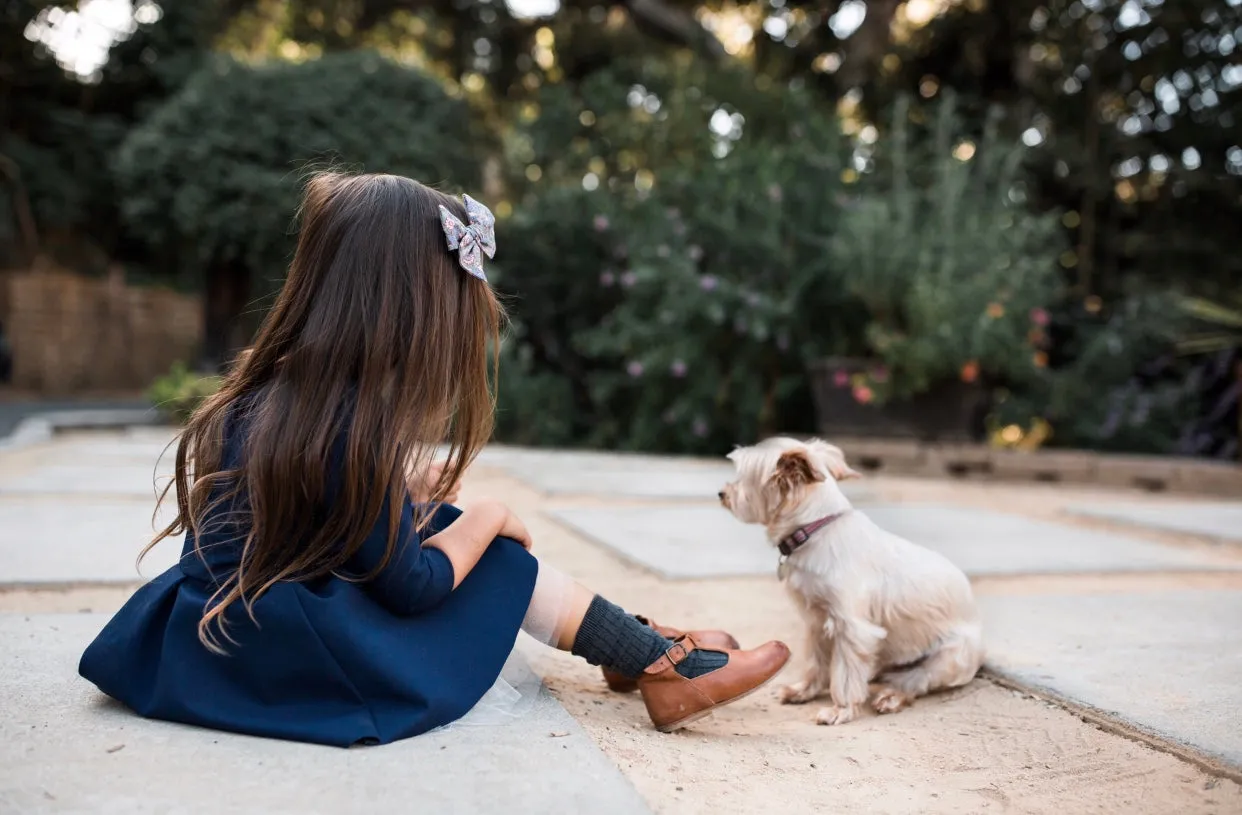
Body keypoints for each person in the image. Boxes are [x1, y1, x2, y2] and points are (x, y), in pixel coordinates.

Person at [79, 172, 790, 747]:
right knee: (497, 555)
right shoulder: (349, 427)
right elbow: (411, 587)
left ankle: (631, 644)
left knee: (439, 517)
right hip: (288, 664)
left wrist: (406, 495)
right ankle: (655, 661)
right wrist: (488, 517)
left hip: (213, 641)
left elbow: (315, 524)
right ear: (409, 319)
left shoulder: (268, 394)